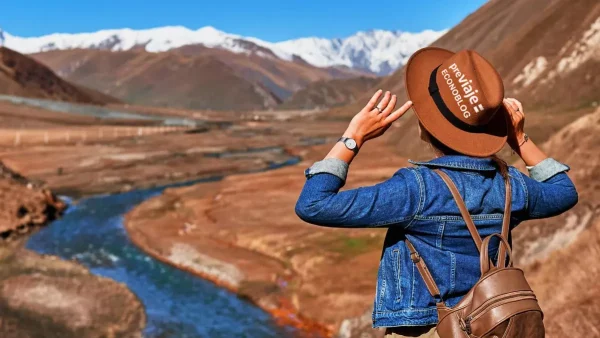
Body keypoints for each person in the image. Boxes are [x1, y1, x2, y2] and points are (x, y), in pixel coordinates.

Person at [295, 48, 578, 338]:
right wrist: (518, 139)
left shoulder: (416, 189)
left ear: (426, 125)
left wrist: (352, 139)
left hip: (426, 330)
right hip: (492, 326)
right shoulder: (511, 184)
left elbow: (314, 203)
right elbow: (564, 191)